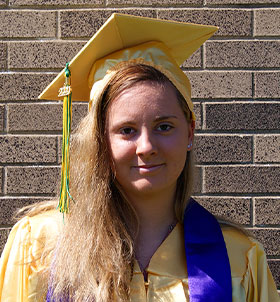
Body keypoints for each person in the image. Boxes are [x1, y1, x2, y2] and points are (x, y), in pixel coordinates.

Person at [0, 13, 279, 302]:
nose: (146, 146)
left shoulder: (239, 259)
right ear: (100, 141)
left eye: (164, 126)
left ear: (190, 132)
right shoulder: (40, 246)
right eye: (127, 130)